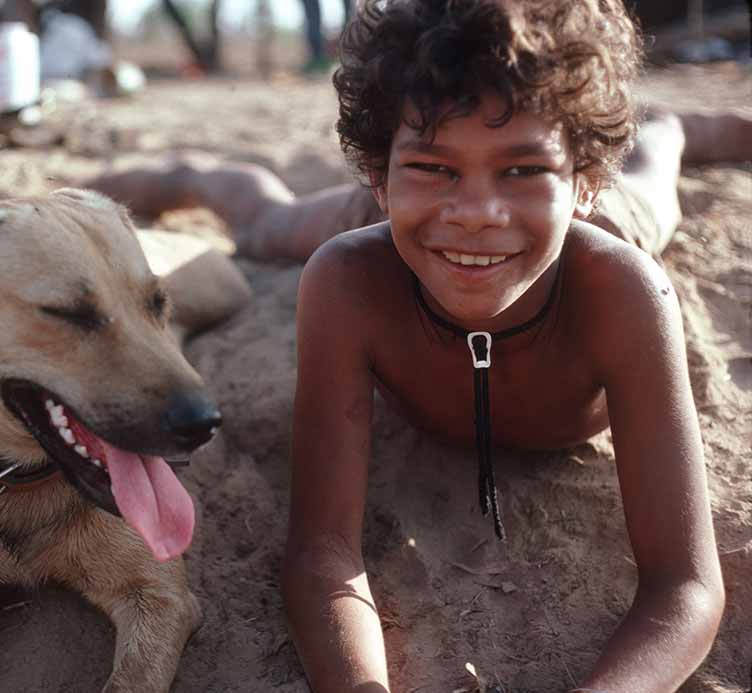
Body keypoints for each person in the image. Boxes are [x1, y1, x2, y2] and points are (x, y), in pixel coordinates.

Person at [84, 1, 749, 690]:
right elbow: (322, 554)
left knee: (653, 177)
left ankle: (670, 128)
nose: (476, 213)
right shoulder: (350, 279)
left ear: (583, 180)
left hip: (606, 223)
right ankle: (189, 174)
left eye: (523, 169)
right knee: (266, 225)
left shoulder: (623, 291)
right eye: (435, 164)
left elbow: (685, 587)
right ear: (377, 175)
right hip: (401, 226)